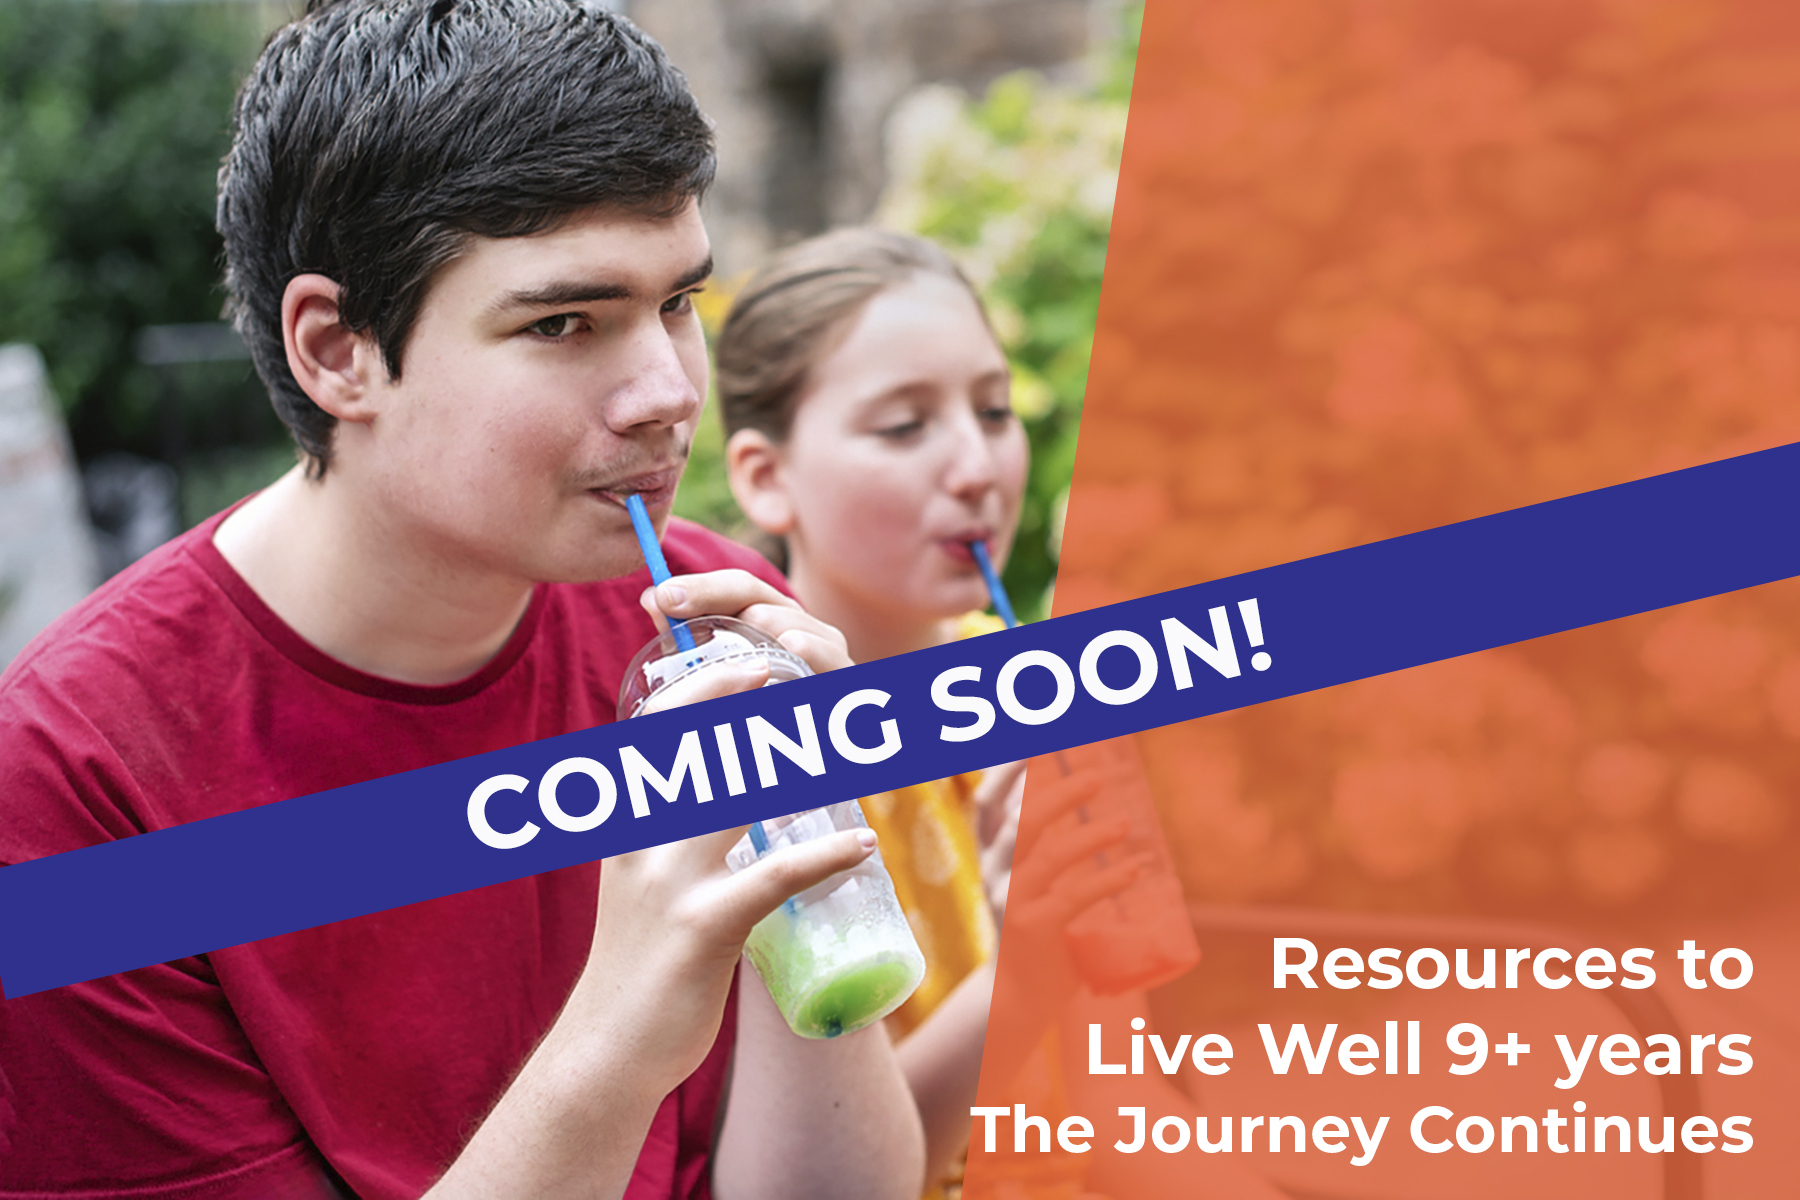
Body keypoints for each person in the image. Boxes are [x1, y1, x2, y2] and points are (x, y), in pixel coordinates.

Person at [0, 4, 922, 1199]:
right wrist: (618, 1039)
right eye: (563, 323)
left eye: (678, 304)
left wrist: (796, 873)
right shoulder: (79, 790)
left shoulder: (703, 620)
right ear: (338, 351)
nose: (665, 392)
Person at [716, 228, 1292, 1200]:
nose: (978, 467)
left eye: (994, 410)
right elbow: (829, 1185)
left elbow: (1125, 1111)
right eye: (904, 427)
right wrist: (1027, 973)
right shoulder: (755, 749)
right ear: (766, 477)